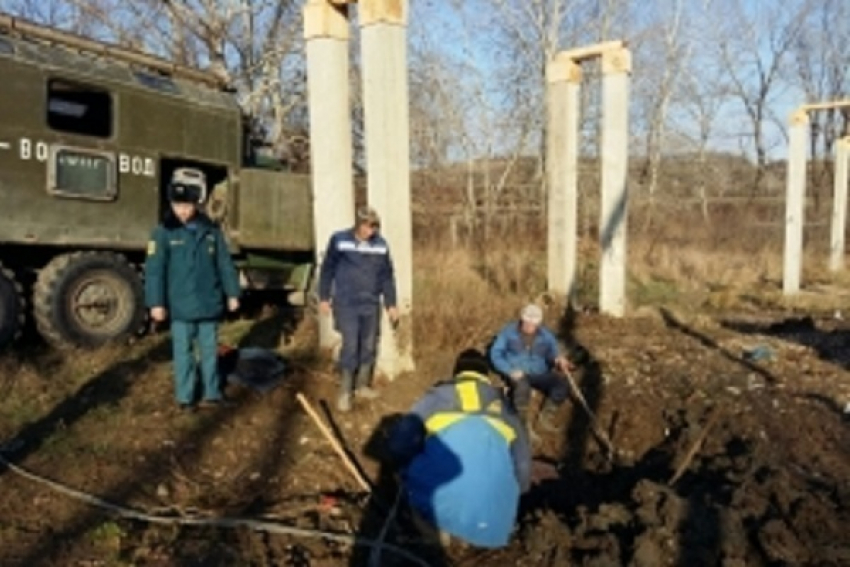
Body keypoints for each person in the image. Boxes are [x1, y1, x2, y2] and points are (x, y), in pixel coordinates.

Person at [387, 349, 531, 549]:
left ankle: (432, 532)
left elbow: (399, 444)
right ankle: (470, 535)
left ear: (457, 373)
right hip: (492, 523)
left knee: (404, 475)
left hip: (440, 504)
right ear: (486, 376)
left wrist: (407, 463)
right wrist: (515, 493)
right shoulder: (505, 408)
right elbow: (523, 464)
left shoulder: (437, 397)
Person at [144, 169, 242, 411]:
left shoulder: (211, 231)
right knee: (184, 354)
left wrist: (233, 293)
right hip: (180, 305)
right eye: (178, 205)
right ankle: (186, 398)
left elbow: (224, 264)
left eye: (187, 205)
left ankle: (212, 393)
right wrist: (156, 303)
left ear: (195, 204)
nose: (183, 211)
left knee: (209, 351)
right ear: (171, 204)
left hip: (208, 302)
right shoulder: (162, 232)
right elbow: (155, 270)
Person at [318, 206, 398, 412]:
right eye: (368, 226)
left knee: (369, 344)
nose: (371, 231)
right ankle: (345, 391)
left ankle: (362, 385)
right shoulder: (340, 240)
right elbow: (327, 269)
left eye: (374, 227)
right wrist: (324, 297)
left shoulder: (381, 245)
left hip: (370, 303)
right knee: (351, 345)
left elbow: (387, 276)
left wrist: (391, 303)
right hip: (346, 303)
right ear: (359, 224)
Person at [489, 303, 572, 434]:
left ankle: (546, 416)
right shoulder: (508, 332)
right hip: (517, 373)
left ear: (538, 324)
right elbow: (495, 354)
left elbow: (553, 353)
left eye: (533, 324)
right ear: (522, 319)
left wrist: (558, 360)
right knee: (522, 388)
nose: (529, 327)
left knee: (561, 385)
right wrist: (509, 370)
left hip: (540, 372)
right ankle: (522, 425)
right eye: (527, 323)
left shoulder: (547, 336)